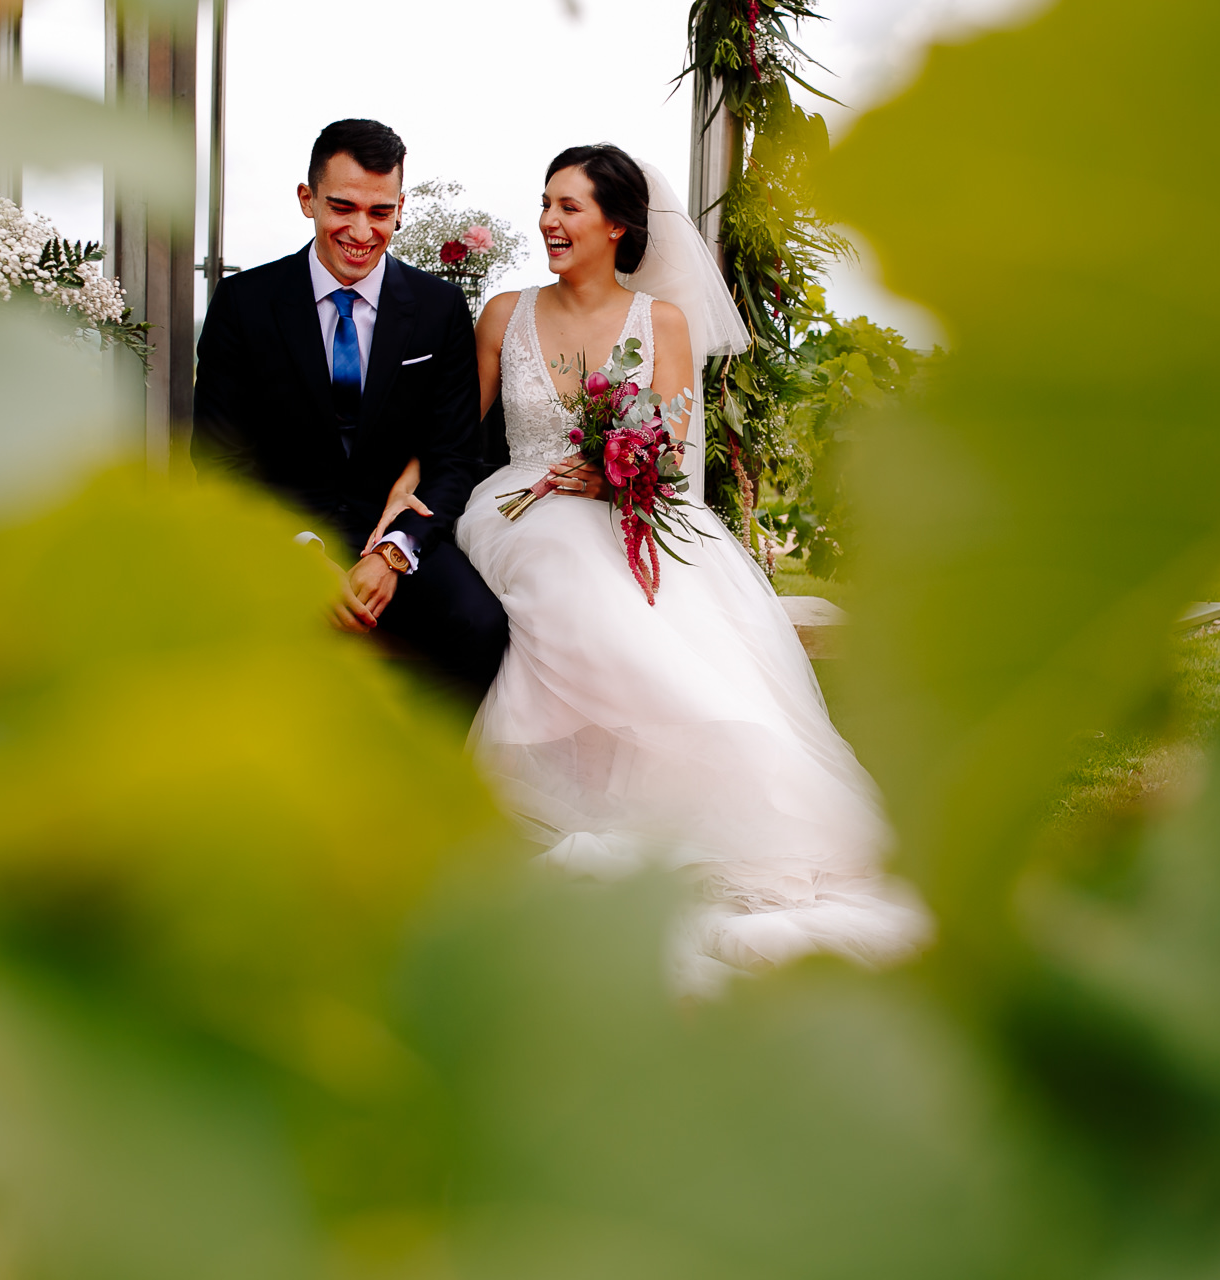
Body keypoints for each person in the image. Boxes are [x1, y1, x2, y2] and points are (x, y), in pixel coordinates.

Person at [377, 144, 930, 993]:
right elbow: (453, 441)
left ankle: (737, 786)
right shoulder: (503, 314)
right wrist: (394, 514)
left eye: (569, 208)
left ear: (618, 225)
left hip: (631, 505)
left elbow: (669, 453)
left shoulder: (660, 322)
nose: (549, 223)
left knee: (675, 607)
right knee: (569, 569)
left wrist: (614, 470)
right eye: (546, 204)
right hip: (523, 503)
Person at [192, 118, 507, 700]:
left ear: (400, 209)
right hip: (278, 532)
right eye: (343, 207)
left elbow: (455, 457)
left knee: (481, 626)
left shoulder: (439, 308)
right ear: (307, 200)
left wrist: (395, 553)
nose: (362, 230)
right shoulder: (244, 303)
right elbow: (218, 459)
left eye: (381, 212)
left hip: (396, 535)